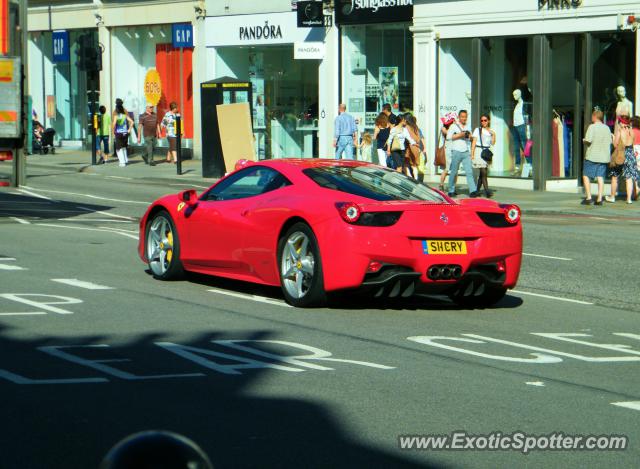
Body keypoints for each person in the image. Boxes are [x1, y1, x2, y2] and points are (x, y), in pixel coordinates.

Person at [581, 110, 612, 205]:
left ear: (595, 116)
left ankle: (589, 197)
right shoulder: (607, 128)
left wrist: (584, 141)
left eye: (592, 116)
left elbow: (588, 140)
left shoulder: (592, 127)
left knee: (586, 175)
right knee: (600, 177)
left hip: (592, 156)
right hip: (603, 157)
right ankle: (599, 198)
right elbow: (610, 142)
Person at [446, 110, 479, 198]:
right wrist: (460, 135)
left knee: (469, 172)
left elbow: (469, 138)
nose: (464, 118)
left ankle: (473, 191)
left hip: (466, 151)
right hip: (456, 151)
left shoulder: (468, 126)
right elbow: (448, 137)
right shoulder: (453, 126)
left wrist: (470, 137)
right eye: (462, 116)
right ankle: (451, 190)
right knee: (454, 172)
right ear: (459, 117)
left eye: (465, 116)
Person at [607, 115, 639, 204]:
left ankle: (612, 197)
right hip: (630, 154)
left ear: (621, 123)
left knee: (615, 176)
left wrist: (613, 138)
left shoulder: (620, 131)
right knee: (629, 178)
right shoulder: (631, 131)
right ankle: (629, 199)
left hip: (621, 155)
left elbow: (615, 144)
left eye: (619, 122)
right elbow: (632, 143)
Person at [471, 114, 496, 198]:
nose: (483, 122)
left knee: (482, 174)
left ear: (488, 121)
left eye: (485, 120)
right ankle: (487, 191)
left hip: (486, 152)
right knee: (483, 172)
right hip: (479, 151)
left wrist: (493, 135)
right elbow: (474, 142)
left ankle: (476, 191)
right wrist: (472, 153)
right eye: (482, 120)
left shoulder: (491, 131)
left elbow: (492, 143)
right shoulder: (477, 130)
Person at [112, 99, 133, 167]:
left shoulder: (115, 115)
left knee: (118, 148)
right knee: (124, 147)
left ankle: (122, 162)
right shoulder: (125, 114)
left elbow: (114, 124)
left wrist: (113, 131)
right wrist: (129, 129)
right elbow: (131, 121)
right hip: (125, 132)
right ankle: (126, 159)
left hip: (118, 133)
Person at [438, 112, 456, 190]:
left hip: (455, 149)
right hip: (447, 150)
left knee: (455, 170)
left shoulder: (454, 128)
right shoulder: (444, 128)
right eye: (452, 121)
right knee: (446, 169)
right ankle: (441, 185)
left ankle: (452, 187)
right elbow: (448, 134)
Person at [404, 114, 424, 179]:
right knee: (414, 165)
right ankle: (416, 178)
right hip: (416, 147)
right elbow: (419, 139)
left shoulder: (406, 127)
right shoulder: (416, 127)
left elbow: (406, 137)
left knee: (406, 164)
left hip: (408, 147)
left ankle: (409, 177)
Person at [631, 116, 640, 198]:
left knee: (633, 171)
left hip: (634, 151)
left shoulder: (631, 131)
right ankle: (636, 190)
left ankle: (636, 188)